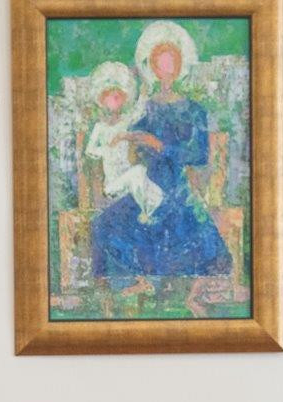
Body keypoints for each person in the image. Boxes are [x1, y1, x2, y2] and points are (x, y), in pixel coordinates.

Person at [90, 20, 232, 301]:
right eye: (159, 62)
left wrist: (160, 146)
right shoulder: (145, 108)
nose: (165, 68)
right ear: (152, 67)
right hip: (147, 184)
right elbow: (132, 146)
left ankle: (187, 294)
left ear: (180, 66)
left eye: (171, 62)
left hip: (177, 188)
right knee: (103, 224)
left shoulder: (194, 110)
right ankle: (119, 291)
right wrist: (127, 142)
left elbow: (199, 155)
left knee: (191, 232)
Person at [85, 61, 164, 224]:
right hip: (113, 185)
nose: (115, 99)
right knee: (138, 172)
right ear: (102, 99)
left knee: (156, 192)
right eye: (111, 96)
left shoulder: (125, 122)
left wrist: (143, 82)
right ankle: (146, 213)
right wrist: (108, 148)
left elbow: (140, 108)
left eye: (119, 96)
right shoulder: (100, 127)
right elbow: (90, 150)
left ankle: (150, 212)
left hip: (130, 178)